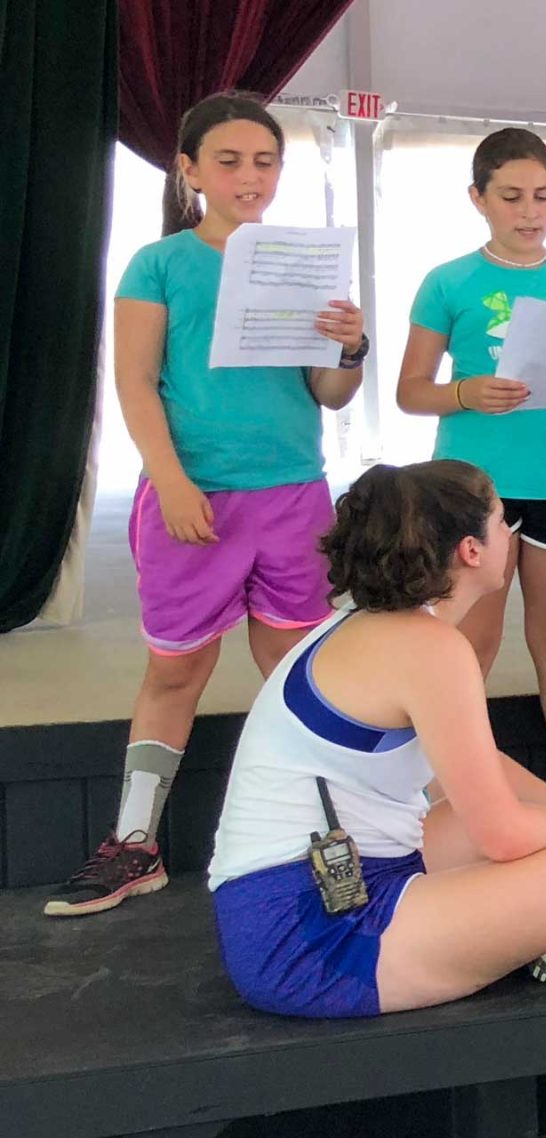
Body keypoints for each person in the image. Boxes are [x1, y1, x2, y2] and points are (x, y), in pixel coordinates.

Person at [208, 461, 546, 1018]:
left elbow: (467, 765)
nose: (508, 533)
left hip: (294, 900)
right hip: (313, 941)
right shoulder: (431, 650)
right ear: (471, 550)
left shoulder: (365, 625)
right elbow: (502, 837)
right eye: (501, 521)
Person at [51, 93, 371, 918]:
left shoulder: (303, 264)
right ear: (188, 170)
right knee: (176, 670)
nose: (249, 177)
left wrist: (349, 346)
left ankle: (332, 838)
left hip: (294, 495)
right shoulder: (158, 265)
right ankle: (135, 845)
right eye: (228, 161)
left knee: (301, 672)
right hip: (191, 497)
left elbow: (332, 394)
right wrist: (171, 477)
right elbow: (133, 380)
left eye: (264, 161)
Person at [395, 127, 546, 802]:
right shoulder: (449, 281)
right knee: (469, 647)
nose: (530, 211)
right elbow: (411, 391)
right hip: (475, 493)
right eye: (512, 197)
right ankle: (446, 794)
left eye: (543, 196)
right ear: (478, 198)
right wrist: (466, 393)